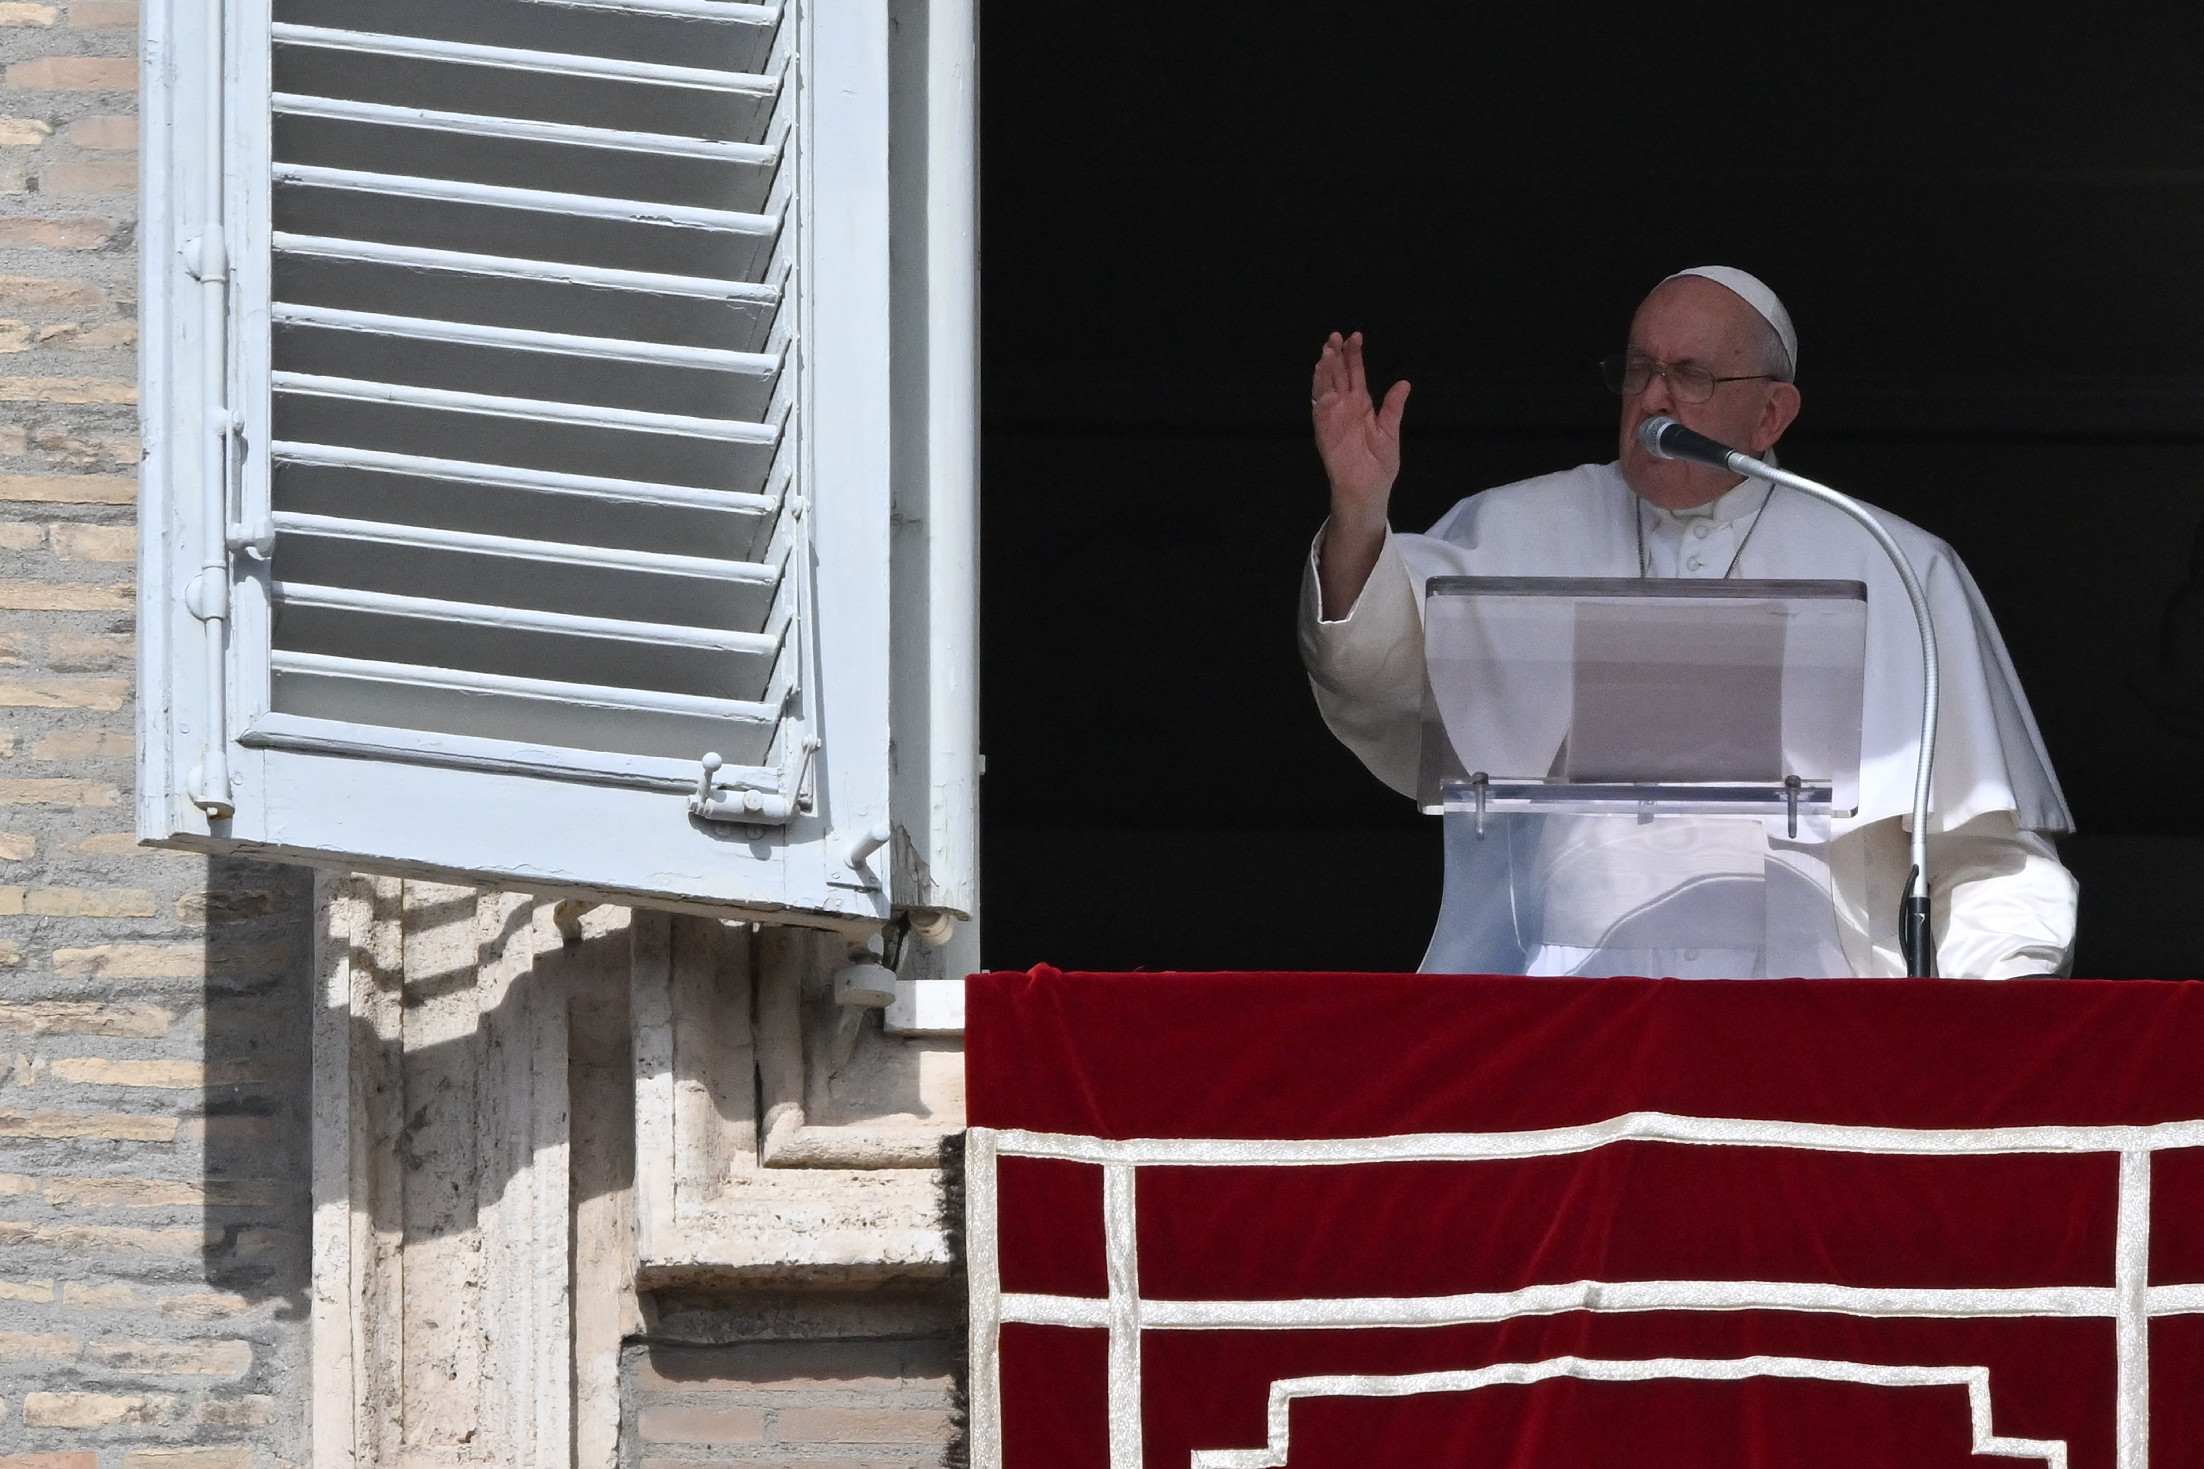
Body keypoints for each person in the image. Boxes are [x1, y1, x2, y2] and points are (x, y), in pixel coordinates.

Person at [1299, 267, 2077, 979]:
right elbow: (1377, 673)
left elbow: (1987, 858)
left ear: (1772, 411)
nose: (1654, 399)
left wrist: (1995, 1025)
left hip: (1813, 1031)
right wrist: (1361, 515)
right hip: (1560, 1018)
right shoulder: (1521, 525)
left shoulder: (1893, 561)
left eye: (1692, 376)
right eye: (1639, 370)